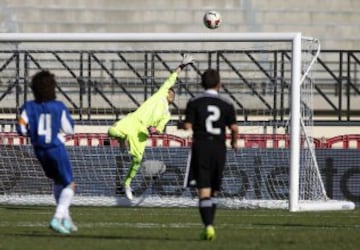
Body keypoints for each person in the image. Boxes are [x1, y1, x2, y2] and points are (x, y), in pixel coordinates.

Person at [108, 54, 194, 200]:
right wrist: (182, 65)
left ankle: (127, 184)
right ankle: (123, 139)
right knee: (111, 131)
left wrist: (155, 131)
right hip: (133, 120)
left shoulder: (166, 114)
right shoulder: (160, 93)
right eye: (170, 91)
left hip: (142, 132)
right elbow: (172, 78)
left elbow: (159, 129)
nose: (171, 93)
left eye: (172, 93)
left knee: (136, 160)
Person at [16, 70, 78, 235]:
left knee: (58, 182)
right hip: (56, 148)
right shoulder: (59, 107)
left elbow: (21, 129)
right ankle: (57, 218)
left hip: (38, 149)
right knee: (70, 183)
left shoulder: (28, 107)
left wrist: (35, 134)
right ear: (53, 88)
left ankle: (66, 219)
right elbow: (69, 129)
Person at [181, 69, 238, 241]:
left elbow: (187, 126)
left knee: (204, 189)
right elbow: (234, 129)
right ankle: (210, 225)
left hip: (202, 147)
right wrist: (234, 143)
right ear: (219, 84)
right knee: (214, 190)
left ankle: (208, 226)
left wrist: (180, 124)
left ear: (201, 84)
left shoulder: (194, 102)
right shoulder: (227, 104)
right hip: (219, 148)